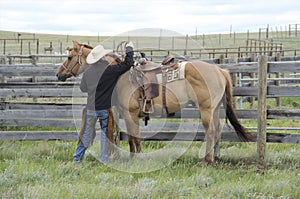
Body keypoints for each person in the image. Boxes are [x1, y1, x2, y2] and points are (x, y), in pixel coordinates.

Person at [74, 42, 134, 164]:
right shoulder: (110, 70)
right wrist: (129, 49)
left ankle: (77, 158)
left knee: (86, 133)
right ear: (102, 57)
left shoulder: (88, 72)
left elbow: (83, 88)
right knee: (105, 135)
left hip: (91, 108)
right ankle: (104, 160)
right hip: (104, 108)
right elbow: (128, 64)